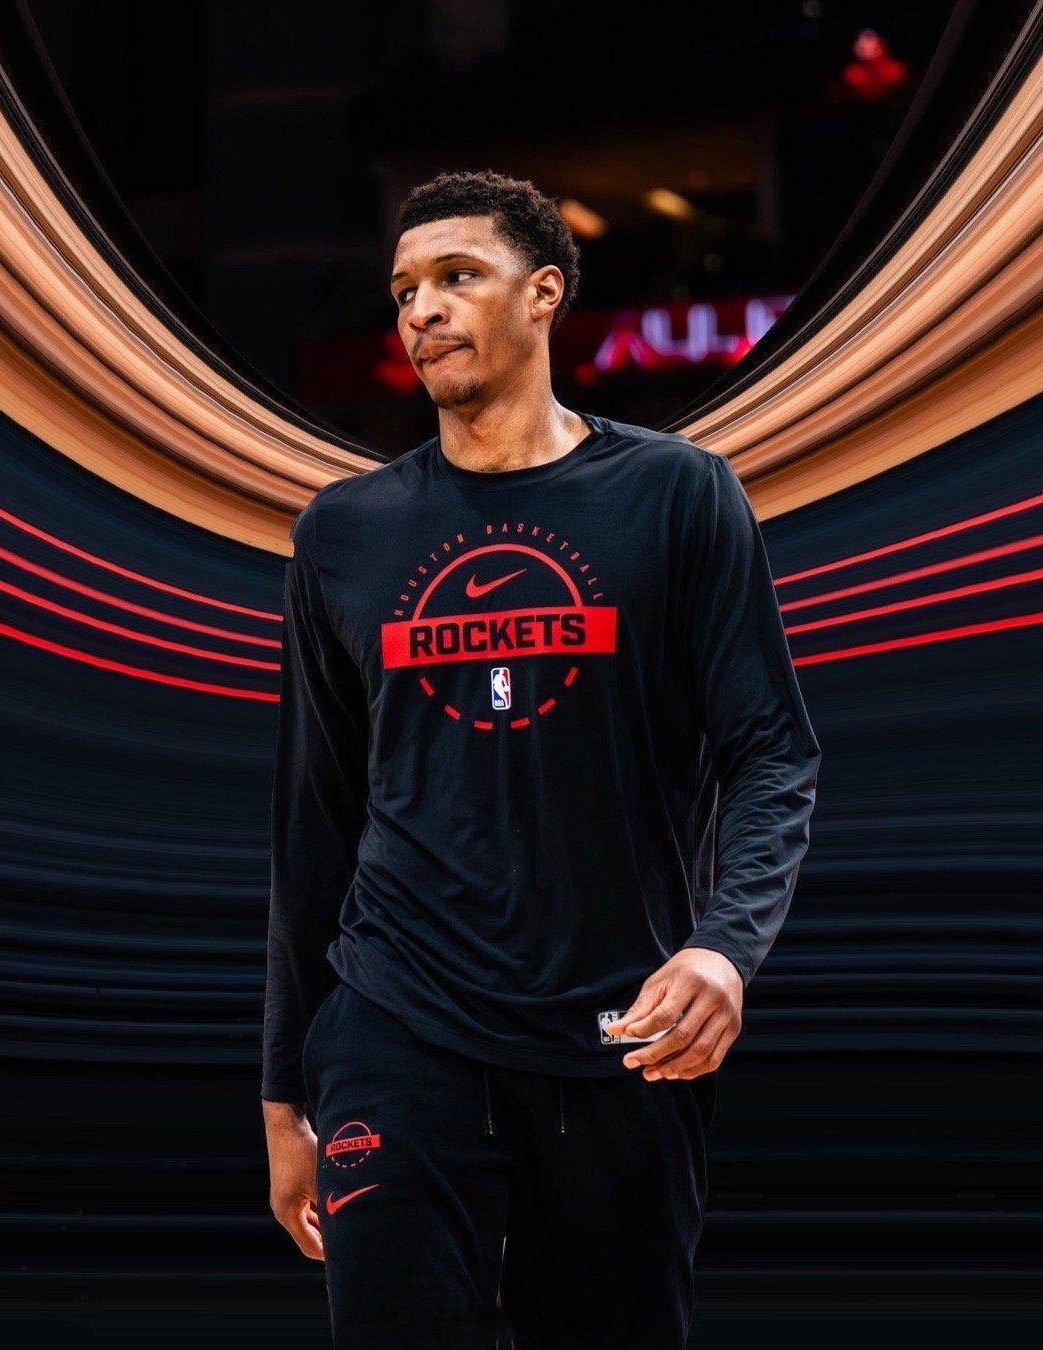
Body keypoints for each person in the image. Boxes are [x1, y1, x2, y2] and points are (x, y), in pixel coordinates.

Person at [261, 169, 821, 1348]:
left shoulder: (677, 494)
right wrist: (282, 1094)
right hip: (394, 1026)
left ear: (545, 293)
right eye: (405, 289)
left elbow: (773, 752)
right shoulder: (344, 532)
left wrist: (725, 951)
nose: (422, 309)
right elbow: (315, 818)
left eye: (458, 276)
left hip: (619, 1034)